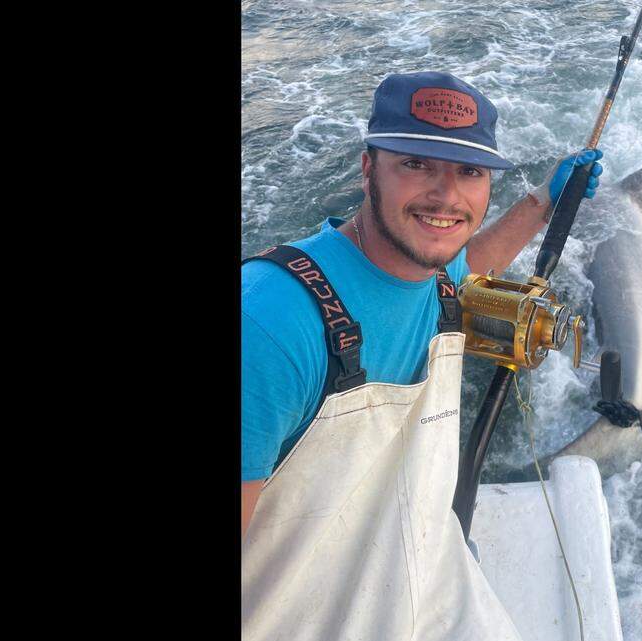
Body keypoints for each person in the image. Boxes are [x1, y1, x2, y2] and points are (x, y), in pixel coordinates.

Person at [241, 70, 604, 536]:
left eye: (469, 171)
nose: (447, 196)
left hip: (430, 557)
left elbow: (470, 262)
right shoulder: (266, 324)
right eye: (417, 163)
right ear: (368, 168)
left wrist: (543, 201)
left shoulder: (435, 275)